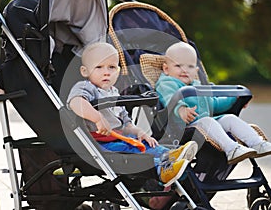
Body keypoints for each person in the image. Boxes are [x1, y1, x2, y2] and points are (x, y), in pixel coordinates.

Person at [67, 42, 198, 187]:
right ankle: (162, 169)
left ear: (118, 70)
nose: (106, 72)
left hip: (121, 137)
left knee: (147, 145)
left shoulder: (114, 92)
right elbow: (76, 102)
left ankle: (171, 156)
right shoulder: (86, 87)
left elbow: (126, 122)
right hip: (100, 143)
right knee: (134, 153)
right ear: (85, 71)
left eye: (111, 67)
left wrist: (139, 132)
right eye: (99, 67)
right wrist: (96, 118)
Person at [155, 42, 271, 164]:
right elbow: (169, 98)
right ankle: (231, 149)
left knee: (230, 118)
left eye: (190, 66)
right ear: (166, 69)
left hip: (204, 124)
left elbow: (214, 104)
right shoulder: (167, 83)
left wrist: (234, 99)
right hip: (181, 129)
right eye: (178, 66)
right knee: (208, 121)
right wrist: (181, 109)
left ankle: (257, 143)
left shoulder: (198, 86)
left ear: (196, 70)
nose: (185, 70)